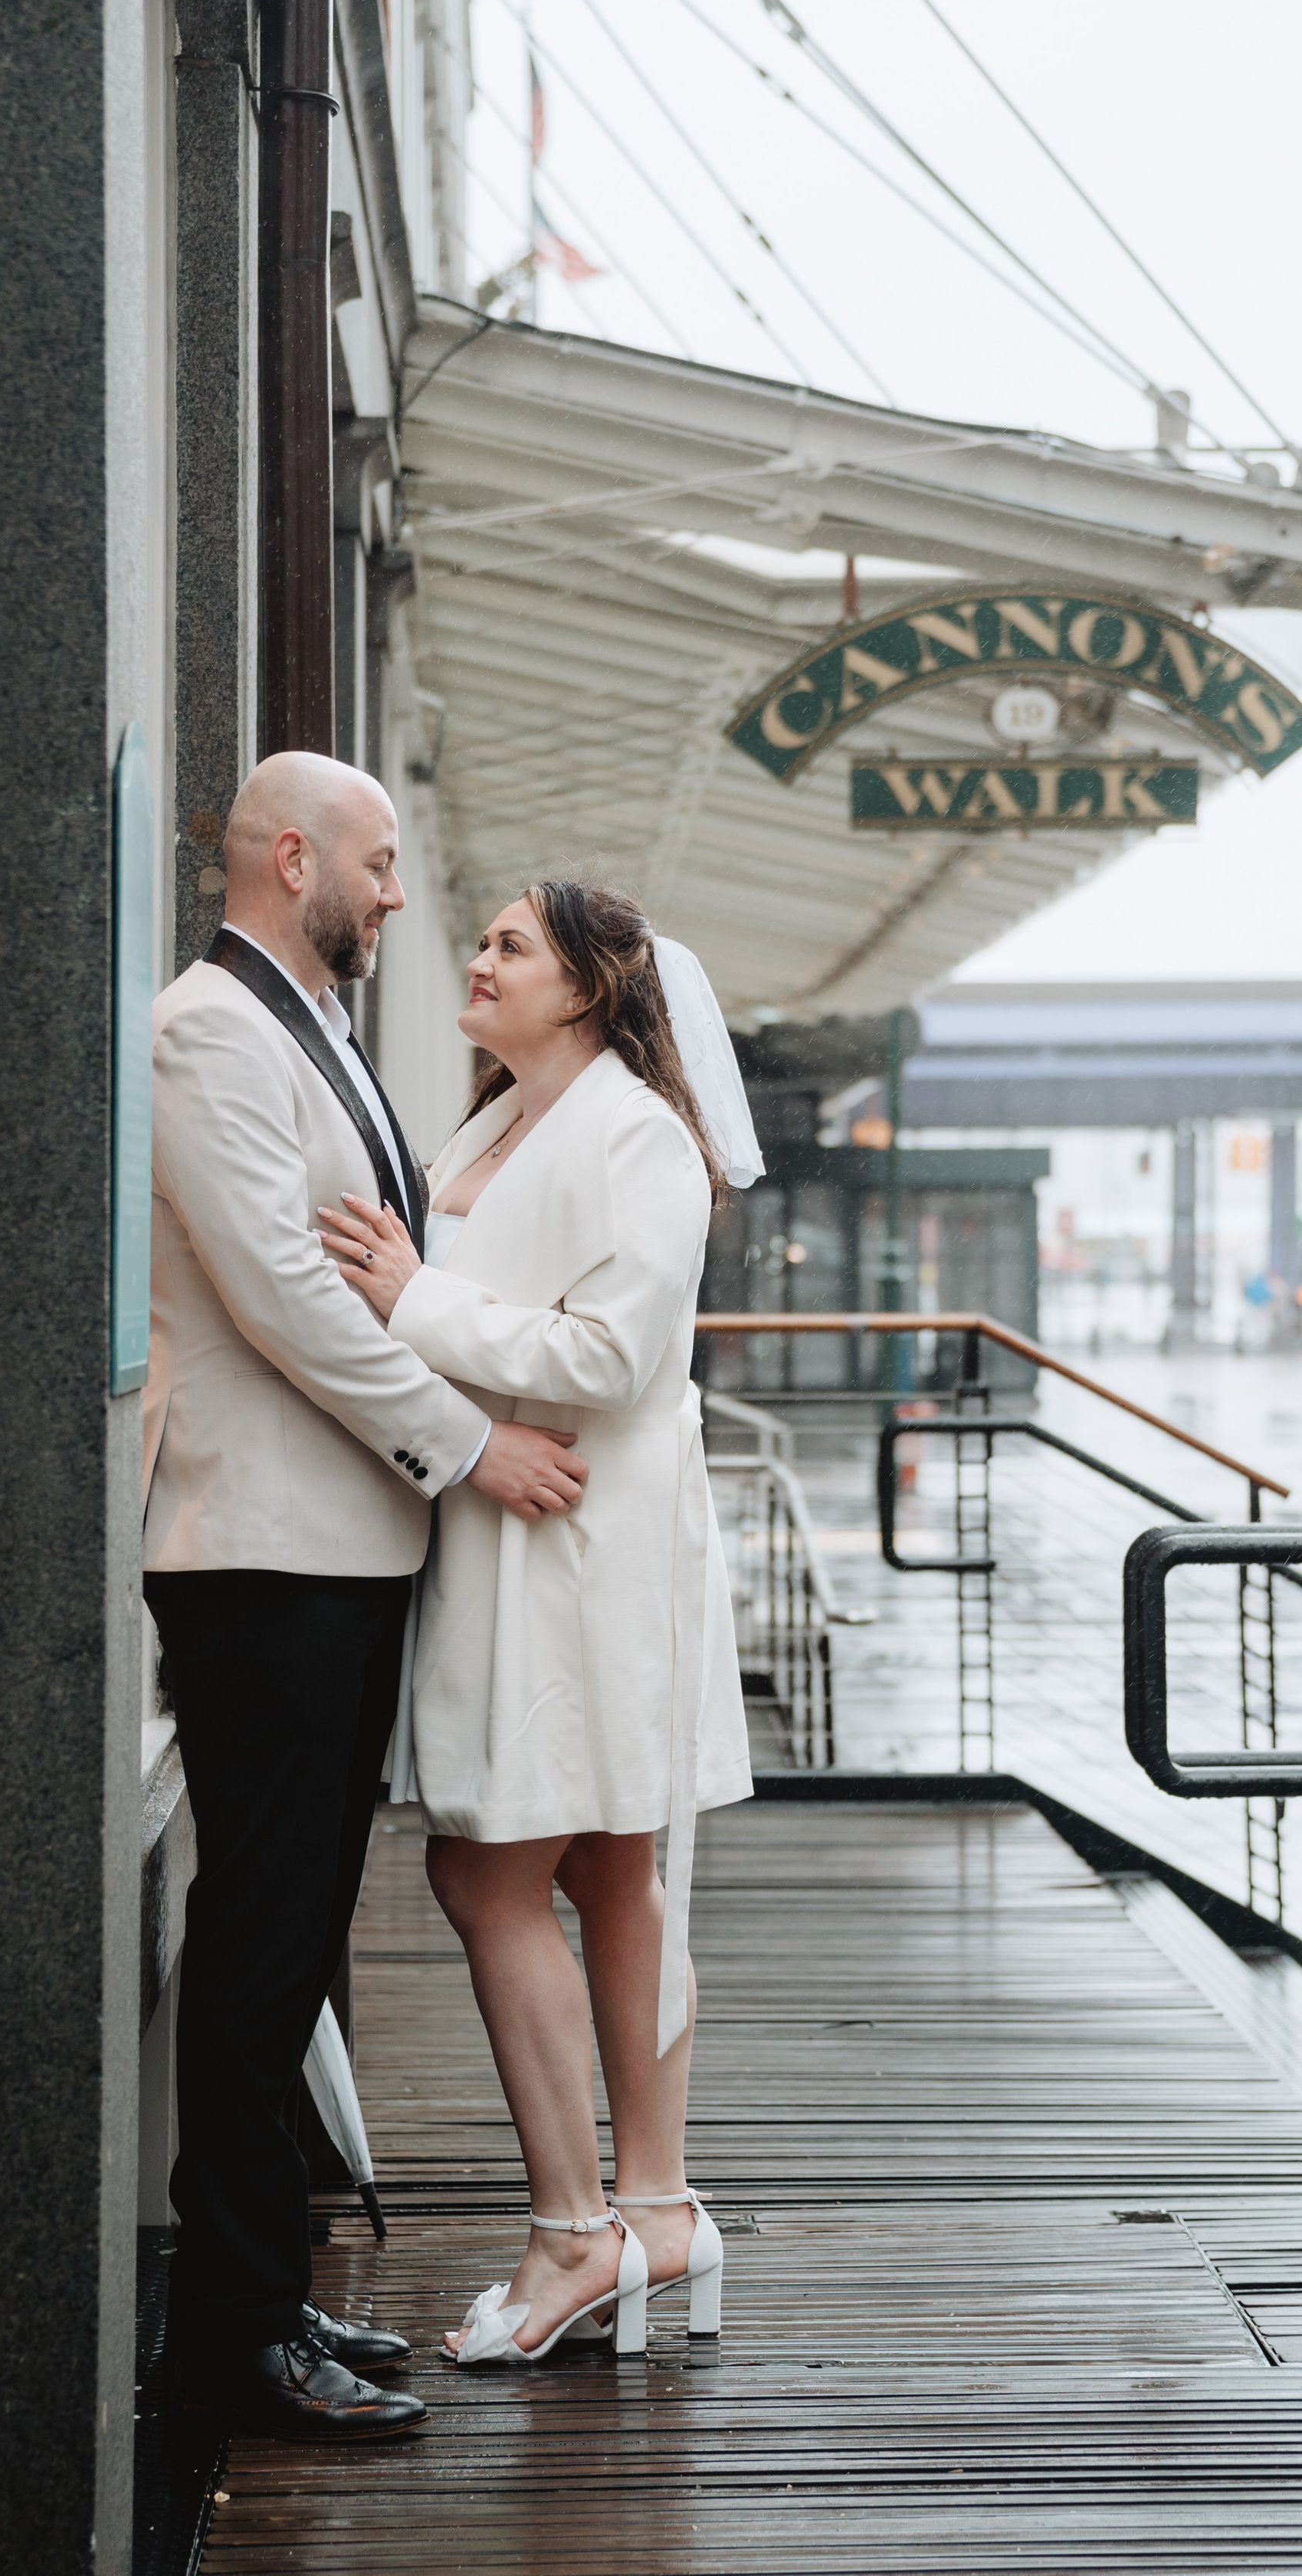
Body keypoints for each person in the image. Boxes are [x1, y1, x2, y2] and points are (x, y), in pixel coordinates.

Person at [143, 754, 589, 2437]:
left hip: (335, 1548)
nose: (399, 894)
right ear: (291, 858)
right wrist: (470, 1446)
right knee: (263, 1939)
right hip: (262, 1552)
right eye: (380, 862)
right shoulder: (207, 1031)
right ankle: (233, 2332)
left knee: (292, 1933)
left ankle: (261, 2291)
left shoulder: (307, 1023)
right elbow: (283, 1298)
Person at [317, 880, 759, 2364]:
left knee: (488, 1867)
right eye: (486, 938)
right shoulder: (492, 1125)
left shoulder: (640, 1136)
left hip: (584, 1540)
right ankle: (654, 2209)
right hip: (510, 1525)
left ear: (587, 986)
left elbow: (618, 1359)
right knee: (608, 1861)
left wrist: (408, 1301)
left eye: (511, 944)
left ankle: (578, 2231)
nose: (480, 959)